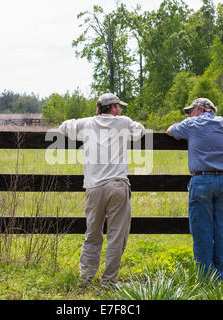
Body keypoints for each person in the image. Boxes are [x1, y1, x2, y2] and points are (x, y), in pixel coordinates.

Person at [58, 93, 145, 287]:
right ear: (112, 108)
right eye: (119, 106)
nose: (121, 110)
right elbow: (140, 131)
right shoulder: (123, 122)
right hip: (117, 184)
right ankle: (109, 281)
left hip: (94, 187)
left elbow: (63, 126)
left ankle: (86, 277)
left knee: (93, 233)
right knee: (117, 235)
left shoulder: (86, 124)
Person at [166, 98, 223, 280]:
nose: (188, 114)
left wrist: (189, 122)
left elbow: (170, 131)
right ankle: (220, 277)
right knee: (222, 230)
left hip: (202, 179)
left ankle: (205, 278)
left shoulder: (192, 124)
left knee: (202, 230)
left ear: (201, 109)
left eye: (190, 111)